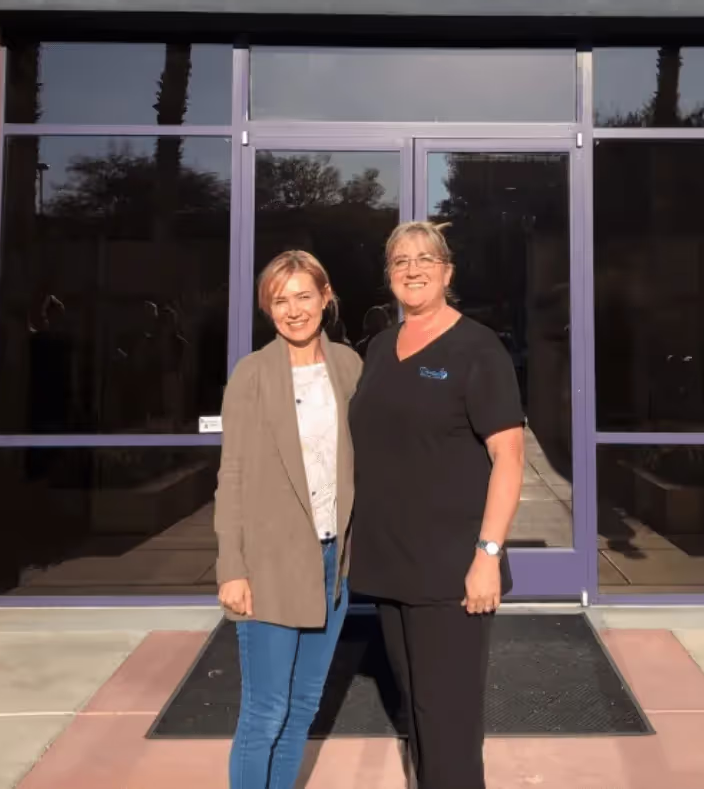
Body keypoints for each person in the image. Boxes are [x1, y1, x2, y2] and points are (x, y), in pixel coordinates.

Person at [347, 221, 526, 789]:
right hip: (390, 567)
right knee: (419, 720)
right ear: (389, 276)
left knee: (449, 723)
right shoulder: (377, 348)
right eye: (400, 261)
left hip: (452, 571)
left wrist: (487, 556)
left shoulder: (478, 347)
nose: (412, 269)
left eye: (425, 259)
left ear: (447, 272)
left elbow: (510, 458)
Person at [214, 250, 363, 789]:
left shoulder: (349, 365)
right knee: (264, 714)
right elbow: (231, 474)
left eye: (304, 295)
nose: (294, 310)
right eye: (281, 300)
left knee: (302, 708)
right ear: (267, 309)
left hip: (332, 565)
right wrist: (232, 566)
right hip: (271, 564)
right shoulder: (252, 373)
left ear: (326, 297)